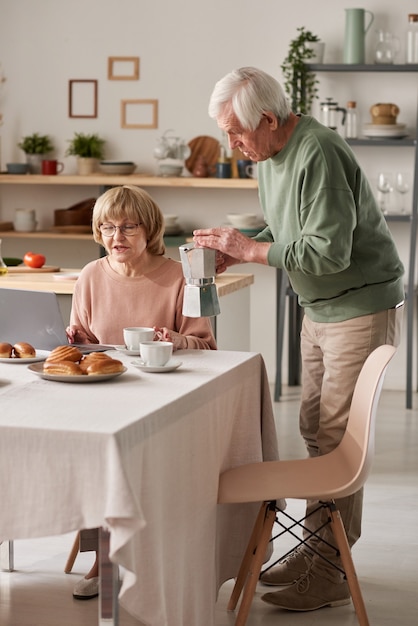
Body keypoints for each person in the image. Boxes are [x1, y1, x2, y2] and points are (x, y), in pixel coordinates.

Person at [193, 67, 404, 613]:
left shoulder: (319, 153)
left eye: (237, 132)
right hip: (321, 306)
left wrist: (247, 250)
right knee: (315, 430)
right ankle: (317, 550)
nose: (232, 145)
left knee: (336, 441)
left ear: (268, 118)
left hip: (356, 305)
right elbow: (291, 230)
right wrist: (237, 244)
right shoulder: (271, 154)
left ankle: (331, 568)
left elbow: (327, 253)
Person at [67, 184, 216, 599]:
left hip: (164, 398)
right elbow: (89, 346)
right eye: (108, 227)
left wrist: (174, 339)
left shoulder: (180, 277)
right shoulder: (90, 275)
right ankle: (103, 559)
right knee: (92, 459)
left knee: (134, 464)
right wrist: (77, 341)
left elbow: (205, 344)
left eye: (128, 227)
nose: (117, 237)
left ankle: (144, 556)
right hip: (105, 395)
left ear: (149, 230)